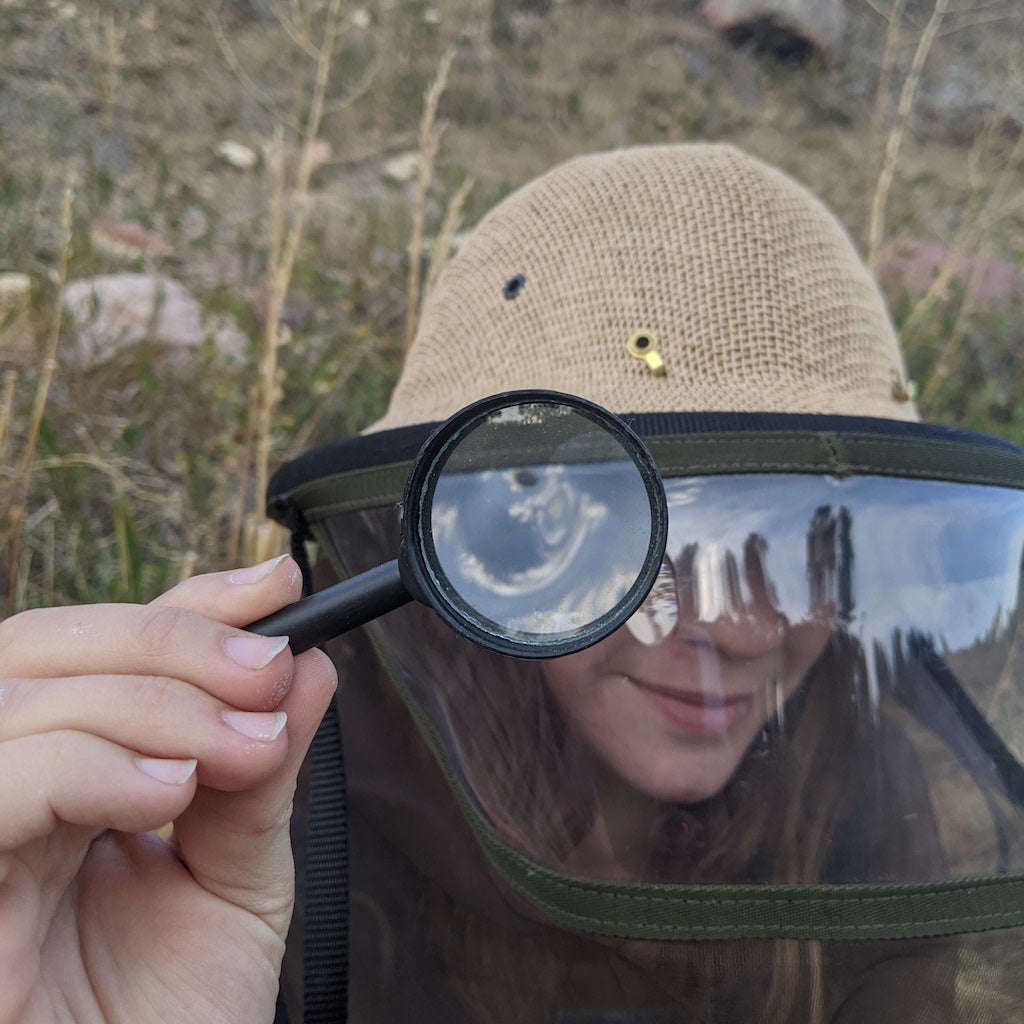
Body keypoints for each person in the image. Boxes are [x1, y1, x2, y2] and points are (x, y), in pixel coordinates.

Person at [4, 143, 1024, 1024]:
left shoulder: (864, 806)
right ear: (471, 547)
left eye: (814, 540)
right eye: (647, 539)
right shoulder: (242, 855)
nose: (747, 625)